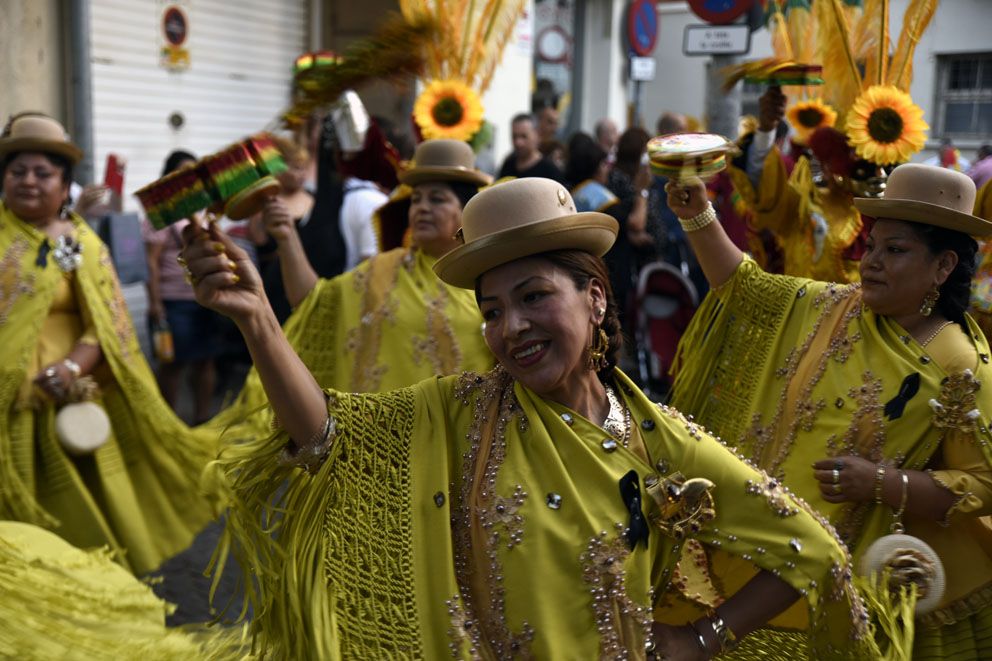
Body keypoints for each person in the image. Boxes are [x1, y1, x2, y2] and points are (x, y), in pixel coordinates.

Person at [183, 176, 875, 658]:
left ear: (596, 299)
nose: (511, 326)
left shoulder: (662, 440)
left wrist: (702, 637)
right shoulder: (456, 413)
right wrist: (259, 323)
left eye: (535, 295)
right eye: (491, 310)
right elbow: (325, 437)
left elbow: (812, 551)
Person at [667, 163, 992, 659]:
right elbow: (746, 289)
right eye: (873, 246)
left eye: (895, 250)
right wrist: (698, 216)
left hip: (847, 582)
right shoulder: (833, 305)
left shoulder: (960, 363)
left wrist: (881, 482)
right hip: (755, 542)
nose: (870, 261)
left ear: (944, 266)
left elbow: (982, 482)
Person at [0, 113, 214, 575]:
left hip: (61, 400)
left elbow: (107, 324)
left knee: (76, 511)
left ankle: (84, 585)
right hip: (5, 405)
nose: (29, 182)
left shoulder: (84, 243)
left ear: (64, 186)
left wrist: (73, 369)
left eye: (43, 173)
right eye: (17, 172)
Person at [205, 139, 495, 435]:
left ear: (466, 211)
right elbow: (314, 304)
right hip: (379, 447)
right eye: (417, 198)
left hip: (461, 446)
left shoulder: (489, 281)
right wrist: (286, 235)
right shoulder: (382, 271)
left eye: (437, 199)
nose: (421, 208)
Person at [143, 149, 222, 424]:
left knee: (206, 362)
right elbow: (150, 263)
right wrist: (155, 304)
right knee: (172, 365)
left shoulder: (202, 210)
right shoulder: (161, 213)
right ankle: (170, 424)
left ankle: (203, 420)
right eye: (182, 172)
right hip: (173, 302)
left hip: (207, 299)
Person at [497, 113, 565, 183]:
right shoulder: (508, 166)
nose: (518, 142)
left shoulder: (550, 171)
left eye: (524, 136)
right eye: (514, 136)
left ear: (537, 134)